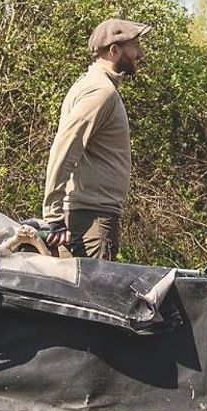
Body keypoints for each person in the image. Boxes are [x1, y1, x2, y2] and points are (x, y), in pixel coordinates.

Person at [41, 18, 151, 260]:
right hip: (92, 219)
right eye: (135, 46)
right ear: (114, 50)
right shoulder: (101, 91)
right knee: (94, 298)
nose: (140, 54)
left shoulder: (93, 85)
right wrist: (54, 216)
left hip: (91, 214)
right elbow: (65, 147)